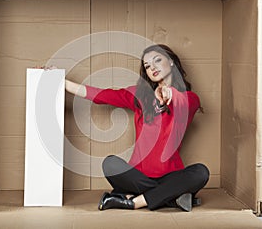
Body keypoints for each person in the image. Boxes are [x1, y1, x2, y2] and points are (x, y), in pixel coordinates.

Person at [65, 44, 210, 212]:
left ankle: (133, 201)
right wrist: (62, 82)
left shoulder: (190, 99)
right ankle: (171, 197)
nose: (152, 67)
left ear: (171, 62)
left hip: (171, 175)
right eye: (147, 66)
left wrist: (168, 91)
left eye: (157, 60)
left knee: (201, 172)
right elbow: (100, 95)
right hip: (138, 176)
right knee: (110, 164)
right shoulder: (139, 96)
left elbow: (180, 101)